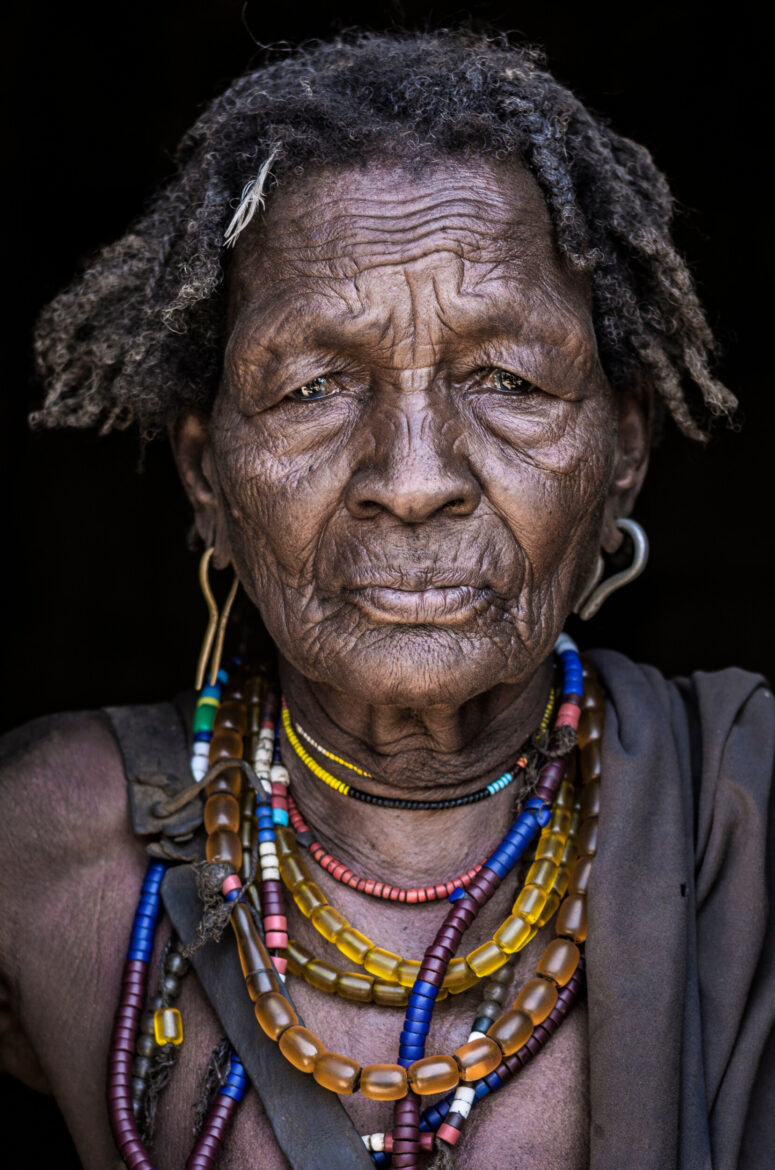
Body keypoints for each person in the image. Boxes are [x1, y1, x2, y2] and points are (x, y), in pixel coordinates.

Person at [1, 28, 771, 1170]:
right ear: (207, 476)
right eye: (314, 388)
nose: (412, 480)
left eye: (506, 382)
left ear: (621, 452)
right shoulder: (39, 850)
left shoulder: (746, 821)